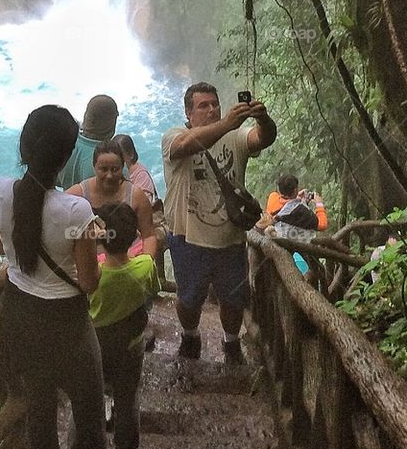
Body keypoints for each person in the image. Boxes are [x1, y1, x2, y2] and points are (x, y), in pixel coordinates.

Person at [0, 106, 138, 449]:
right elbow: (89, 283)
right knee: (87, 413)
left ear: (24, 145)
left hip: (19, 315)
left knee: (39, 407)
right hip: (67, 324)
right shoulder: (75, 212)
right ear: (69, 155)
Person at [162, 82, 277, 364]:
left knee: (233, 300)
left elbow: (264, 138)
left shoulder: (235, 137)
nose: (212, 109)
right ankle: (190, 335)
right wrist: (226, 123)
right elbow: (185, 146)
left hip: (230, 237)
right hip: (187, 236)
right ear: (188, 113)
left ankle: (231, 342)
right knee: (189, 299)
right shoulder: (173, 136)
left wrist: (262, 118)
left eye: (215, 104)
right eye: (203, 106)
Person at [88, 202, 159, 449]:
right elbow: (151, 292)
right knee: (128, 396)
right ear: (135, 237)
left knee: (88, 396)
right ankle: (126, 447)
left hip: (95, 346)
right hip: (130, 345)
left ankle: (81, 448)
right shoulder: (145, 267)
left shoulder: (92, 274)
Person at [67, 141, 158, 261]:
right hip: (91, 265)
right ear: (94, 167)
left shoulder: (136, 196)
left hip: (131, 260)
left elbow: (149, 236)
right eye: (103, 169)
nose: (109, 175)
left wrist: (146, 264)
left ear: (123, 167)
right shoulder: (78, 194)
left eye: (115, 169)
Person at [112, 132, 168, 295]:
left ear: (129, 154)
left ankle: (148, 287)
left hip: (155, 226)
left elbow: (141, 207)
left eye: (120, 156)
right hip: (142, 227)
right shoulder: (126, 175)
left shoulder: (140, 174)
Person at [58, 94, 118, 189]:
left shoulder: (65, 147)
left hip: (67, 202)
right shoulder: (113, 162)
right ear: (112, 122)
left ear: (86, 116)